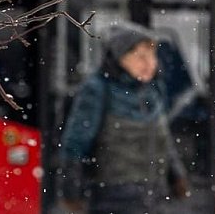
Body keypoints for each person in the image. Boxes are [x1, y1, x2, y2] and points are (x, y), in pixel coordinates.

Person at [59, 23, 188, 214]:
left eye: (152, 55)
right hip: (113, 199)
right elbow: (76, 143)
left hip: (154, 197)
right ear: (119, 59)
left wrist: (177, 176)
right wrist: (71, 192)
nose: (149, 63)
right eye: (140, 56)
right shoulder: (98, 89)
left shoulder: (153, 90)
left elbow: (164, 139)